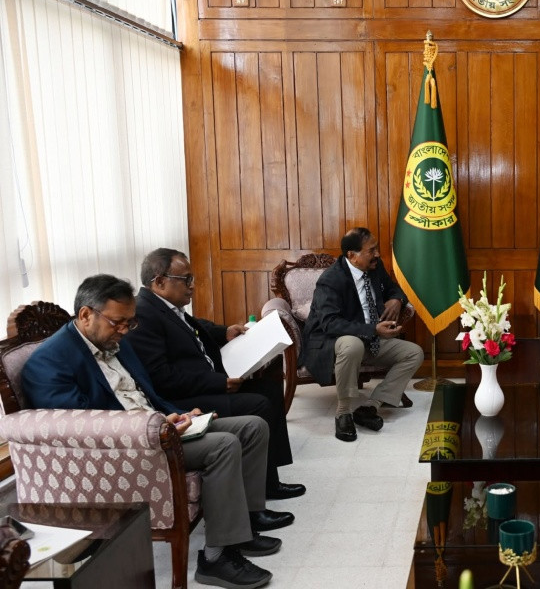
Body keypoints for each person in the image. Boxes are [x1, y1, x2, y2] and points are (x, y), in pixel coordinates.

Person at [20, 274, 295, 589]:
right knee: (223, 445)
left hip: (158, 427)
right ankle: (217, 558)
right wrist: (154, 426)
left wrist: (173, 413)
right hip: (130, 446)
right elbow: (76, 427)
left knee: (253, 427)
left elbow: (144, 392)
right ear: (85, 315)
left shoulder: (112, 339)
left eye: (129, 323)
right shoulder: (50, 362)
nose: (125, 331)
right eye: (118, 323)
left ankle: (244, 524)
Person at [123, 248, 305, 501]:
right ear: (160, 281)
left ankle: (269, 479)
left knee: (269, 388)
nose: (192, 286)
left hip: (201, 385)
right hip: (183, 400)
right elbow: (161, 377)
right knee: (258, 403)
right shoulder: (144, 314)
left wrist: (223, 332)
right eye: (185, 280)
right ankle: (259, 488)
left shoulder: (163, 305)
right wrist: (218, 383)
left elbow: (190, 327)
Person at [299, 227, 424, 442]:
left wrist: (396, 299)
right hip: (334, 342)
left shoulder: (375, 267)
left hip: (370, 339)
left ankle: (369, 408)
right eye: (371, 250)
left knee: (413, 353)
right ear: (352, 256)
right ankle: (344, 413)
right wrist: (372, 330)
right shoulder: (330, 280)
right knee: (353, 345)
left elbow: (394, 289)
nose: (377, 254)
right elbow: (330, 324)